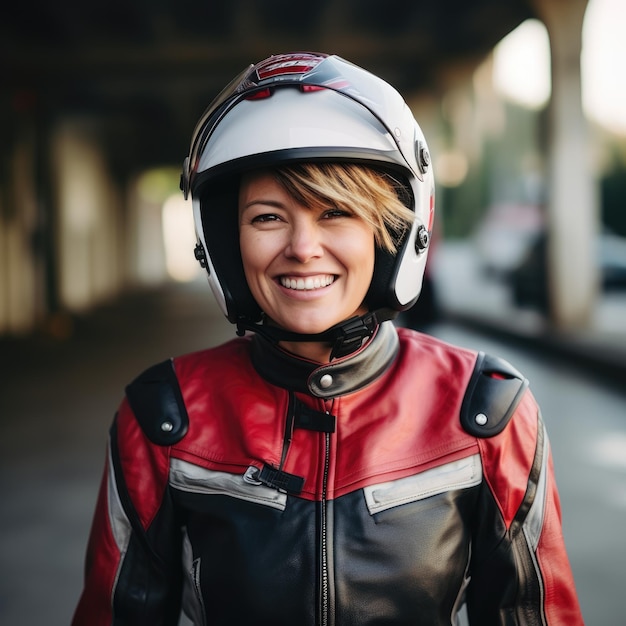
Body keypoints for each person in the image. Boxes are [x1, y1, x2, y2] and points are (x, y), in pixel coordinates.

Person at [72, 52, 584, 625]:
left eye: (336, 212)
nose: (302, 247)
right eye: (267, 217)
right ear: (223, 243)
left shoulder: (484, 411)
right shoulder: (165, 415)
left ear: (389, 235)